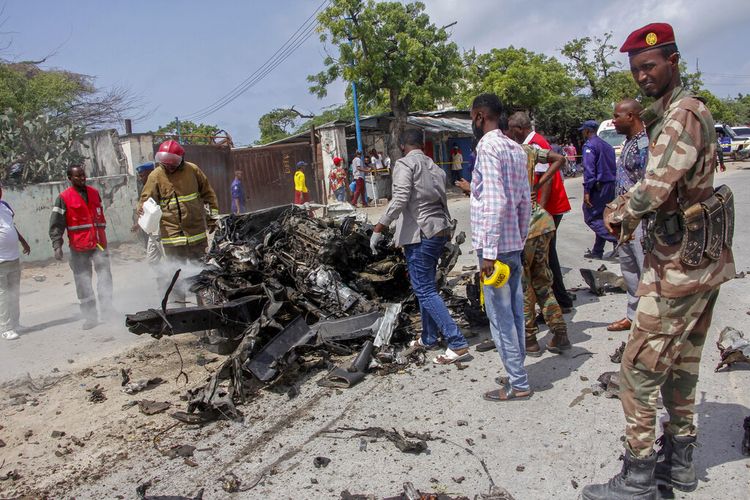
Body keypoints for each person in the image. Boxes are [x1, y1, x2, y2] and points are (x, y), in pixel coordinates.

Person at [583, 23, 736, 499]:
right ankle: (681, 464)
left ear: (673, 60)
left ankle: (639, 476)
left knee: (639, 370)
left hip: (679, 263)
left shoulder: (681, 114)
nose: (642, 76)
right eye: (635, 70)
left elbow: (653, 189)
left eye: (650, 66)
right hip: (697, 258)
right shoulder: (675, 111)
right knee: (683, 363)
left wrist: (617, 213)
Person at [370, 129, 469, 365]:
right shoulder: (434, 166)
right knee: (427, 286)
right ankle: (429, 337)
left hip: (421, 233)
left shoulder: (405, 164)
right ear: (422, 145)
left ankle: (457, 342)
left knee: (424, 289)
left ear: (403, 145)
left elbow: (401, 197)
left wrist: (380, 226)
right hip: (439, 230)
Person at [468, 94, 532, 402]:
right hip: (512, 245)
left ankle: (518, 383)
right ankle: (516, 369)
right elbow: (524, 201)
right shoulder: (515, 148)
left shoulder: (488, 147)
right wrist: (519, 239)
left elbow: (493, 200)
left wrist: (489, 255)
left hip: (494, 250)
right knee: (515, 312)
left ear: (480, 116)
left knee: (500, 316)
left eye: (472, 117)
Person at [503, 125, 571, 357]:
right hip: (542, 222)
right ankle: (560, 333)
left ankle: (530, 339)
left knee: (523, 286)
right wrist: (538, 184)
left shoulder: (499, 156)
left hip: (521, 227)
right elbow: (559, 158)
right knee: (543, 281)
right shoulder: (527, 151)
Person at [138, 140, 219, 306]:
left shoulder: (193, 170)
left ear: (181, 158)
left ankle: (207, 308)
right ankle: (178, 309)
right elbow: (146, 199)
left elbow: (208, 194)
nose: (169, 167)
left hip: (195, 234)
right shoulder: (156, 175)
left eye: (172, 164)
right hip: (172, 236)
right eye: (166, 164)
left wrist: (212, 218)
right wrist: (141, 208)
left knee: (201, 272)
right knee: (175, 274)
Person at [508, 112, 574, 312]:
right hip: (546, 208)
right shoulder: (532, 143)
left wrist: (539, 210)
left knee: (542, 259)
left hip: (548, 207)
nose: (510, 135)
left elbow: (545, 180)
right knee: (547, 256)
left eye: (511, 130)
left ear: (519, 129)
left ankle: (556, 303)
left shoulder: (535, 144)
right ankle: (560, 301)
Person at [50, 165, 113, 329]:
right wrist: (57, 245)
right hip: (79, 247)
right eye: (77, 176)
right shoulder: (64, 198)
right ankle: (90, 317)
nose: (82, 178)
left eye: (83, 175)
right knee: (83, 282)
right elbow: (57, 224)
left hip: (99, 244)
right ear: (70, 179)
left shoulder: (94, 193)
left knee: (105, 278)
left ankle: (107, 311)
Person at [607, 99, 648, 332]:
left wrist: (623, 207)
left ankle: (649, 320)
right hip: (624, 218)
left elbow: (646, 183)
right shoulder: (629, 142)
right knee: (629, 269)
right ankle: (633, 315)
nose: (613, 121)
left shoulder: (645, 144)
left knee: (644, 270)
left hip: (639, 218)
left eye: (617, 116)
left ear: (631, 116)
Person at [580, 119, 617, 259]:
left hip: (598, 187)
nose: (582, 133)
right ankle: (597, 251)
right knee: (603, 216)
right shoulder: (607, 146)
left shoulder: (589, 146)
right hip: (610, 185)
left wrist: (587, 191)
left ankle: (617, 240)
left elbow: (590, 171)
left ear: (588, 131)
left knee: (591, 217)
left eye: (583, 130)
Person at [0, 181, 30, 340]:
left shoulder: (4, 205)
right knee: (3, 295)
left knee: (14, 292)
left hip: (13, 257)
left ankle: (15, 323)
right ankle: (5, 327)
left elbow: (11, 226)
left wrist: (23, 240)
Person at [131, 162, 163, 268]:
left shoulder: (159, 187)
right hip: (152, 232)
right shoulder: (146, 189)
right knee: (152, 261)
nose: (140, 178)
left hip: (161, 231)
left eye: (142, 175)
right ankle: (162, 281)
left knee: (168, 257)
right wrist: (138, 224)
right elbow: (146, 212)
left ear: (151, 173)